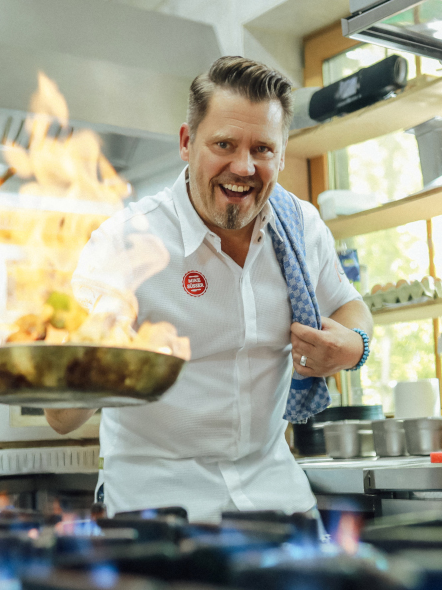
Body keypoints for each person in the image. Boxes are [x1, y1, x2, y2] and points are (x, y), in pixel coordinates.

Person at [44, 56, 373, 523]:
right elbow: (59, 418)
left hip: (277, 500)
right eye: (224, 144)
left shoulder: (301, 225)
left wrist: (354, 346)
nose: (243, 166)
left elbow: (350, 306)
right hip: (155, 511)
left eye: (262, 149)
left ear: (281, 154)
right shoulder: (126, 241)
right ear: (186, 142)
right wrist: (101, 354)